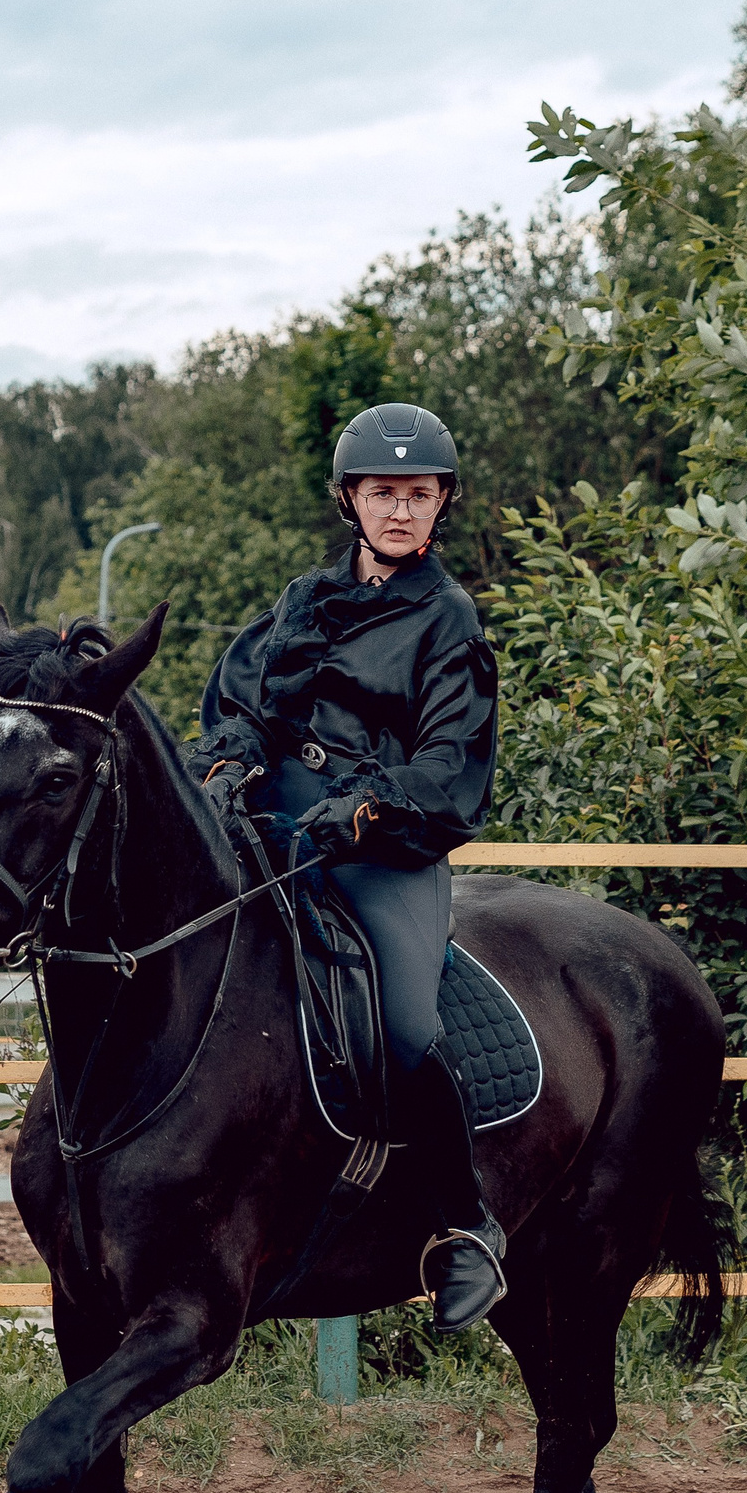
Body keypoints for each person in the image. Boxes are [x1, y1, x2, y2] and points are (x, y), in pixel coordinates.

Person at [185, 402, 506, 1330]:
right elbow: (238, 704)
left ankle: (464, 1227)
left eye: (417, 494)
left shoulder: (449, 620)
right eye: (382, 493)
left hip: (382, 844)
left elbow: (454, 767)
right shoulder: (301, 602)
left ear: (441, 504)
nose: (399, 511)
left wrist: (364, 807)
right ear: (350, 501)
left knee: (405, 1026)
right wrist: (229, 761)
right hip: (272, 826)